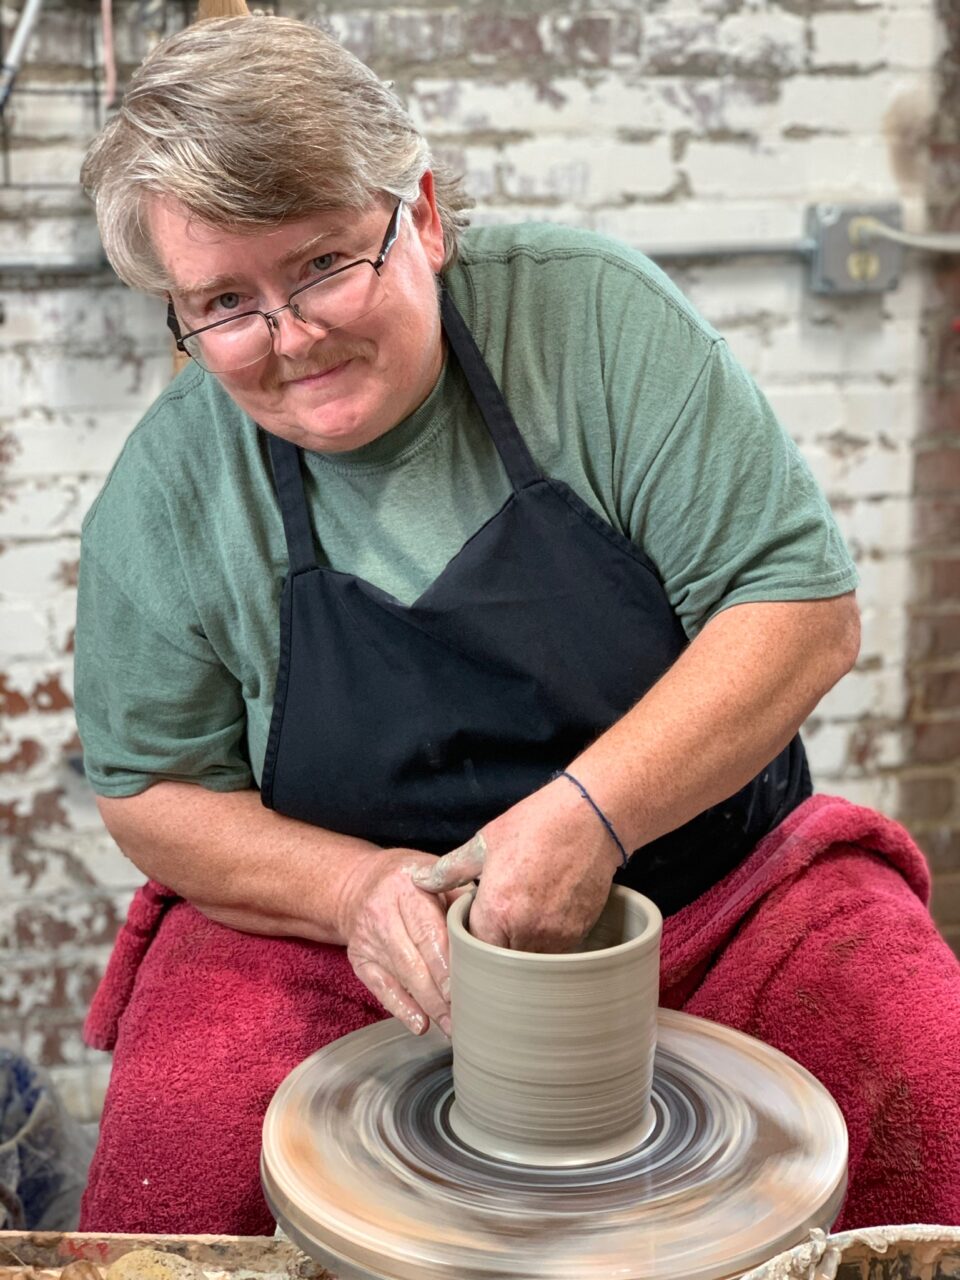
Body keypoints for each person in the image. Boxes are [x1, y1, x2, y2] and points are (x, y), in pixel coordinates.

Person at [73, 13, 960, 1238]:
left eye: (326, 264)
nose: (291, 337)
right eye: (226, 301)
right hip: (359, 943)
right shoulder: (170, 491)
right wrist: (349, 889)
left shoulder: (594, 324)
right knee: (171, 1179)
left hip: (712, 886)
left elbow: (800, 608)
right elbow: (151, 789)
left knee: (927, 1084)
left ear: (422, 215)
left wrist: (595, 813)